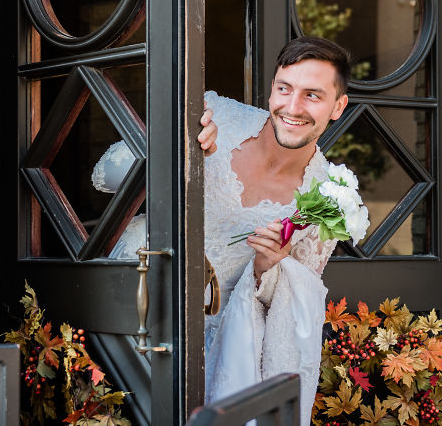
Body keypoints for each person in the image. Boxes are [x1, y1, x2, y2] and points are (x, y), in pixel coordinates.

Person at [96, 38, 366, 423]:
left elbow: (293, 308)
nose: (292, 107)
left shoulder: (328, 202)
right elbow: (104, 177)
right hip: (123, 313)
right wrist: (178, 146)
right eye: (284, 89)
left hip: (203, 357)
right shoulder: (215, 111)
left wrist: (268, 267)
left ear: (338, 106)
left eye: (313, 95)